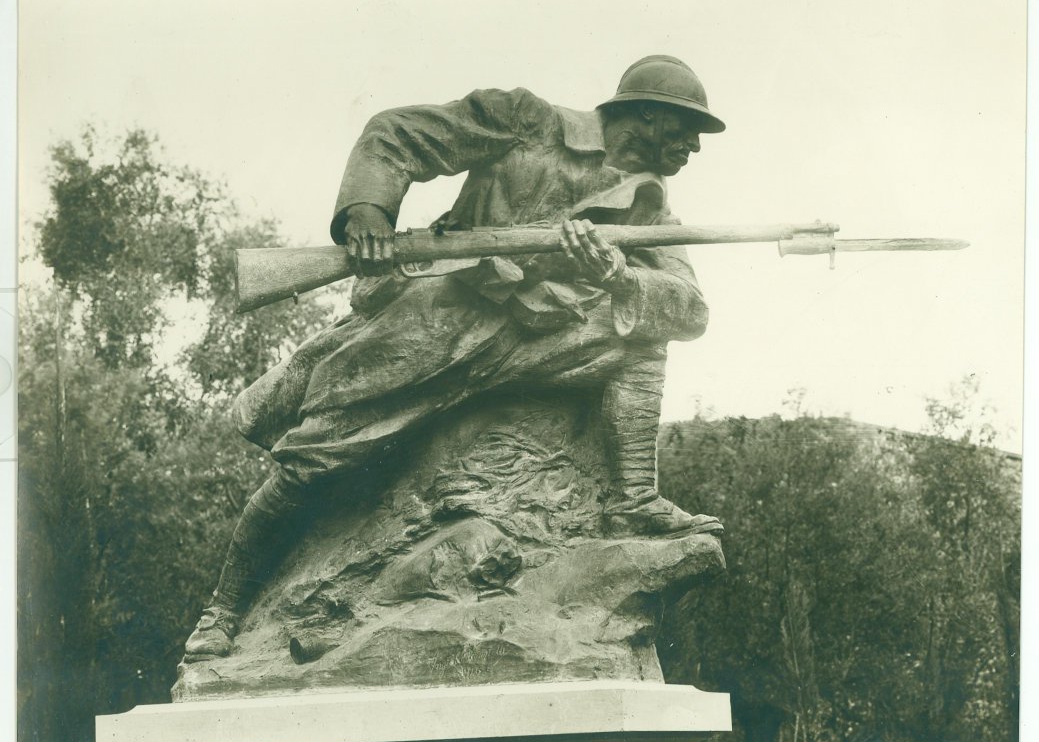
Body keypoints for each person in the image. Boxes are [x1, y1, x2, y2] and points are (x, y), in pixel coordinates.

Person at [185, 55, 727, 657]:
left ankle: (635, 502)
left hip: (536, 337)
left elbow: (690, 309)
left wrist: (618, 276)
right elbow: (396, 134)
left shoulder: (650, 205)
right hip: (437, 321)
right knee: (312, 459)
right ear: (647, 115)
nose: (693, 147)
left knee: (643, 338)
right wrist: (369, 212)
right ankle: (222, 612)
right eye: (687, 129)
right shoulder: (527, 121)